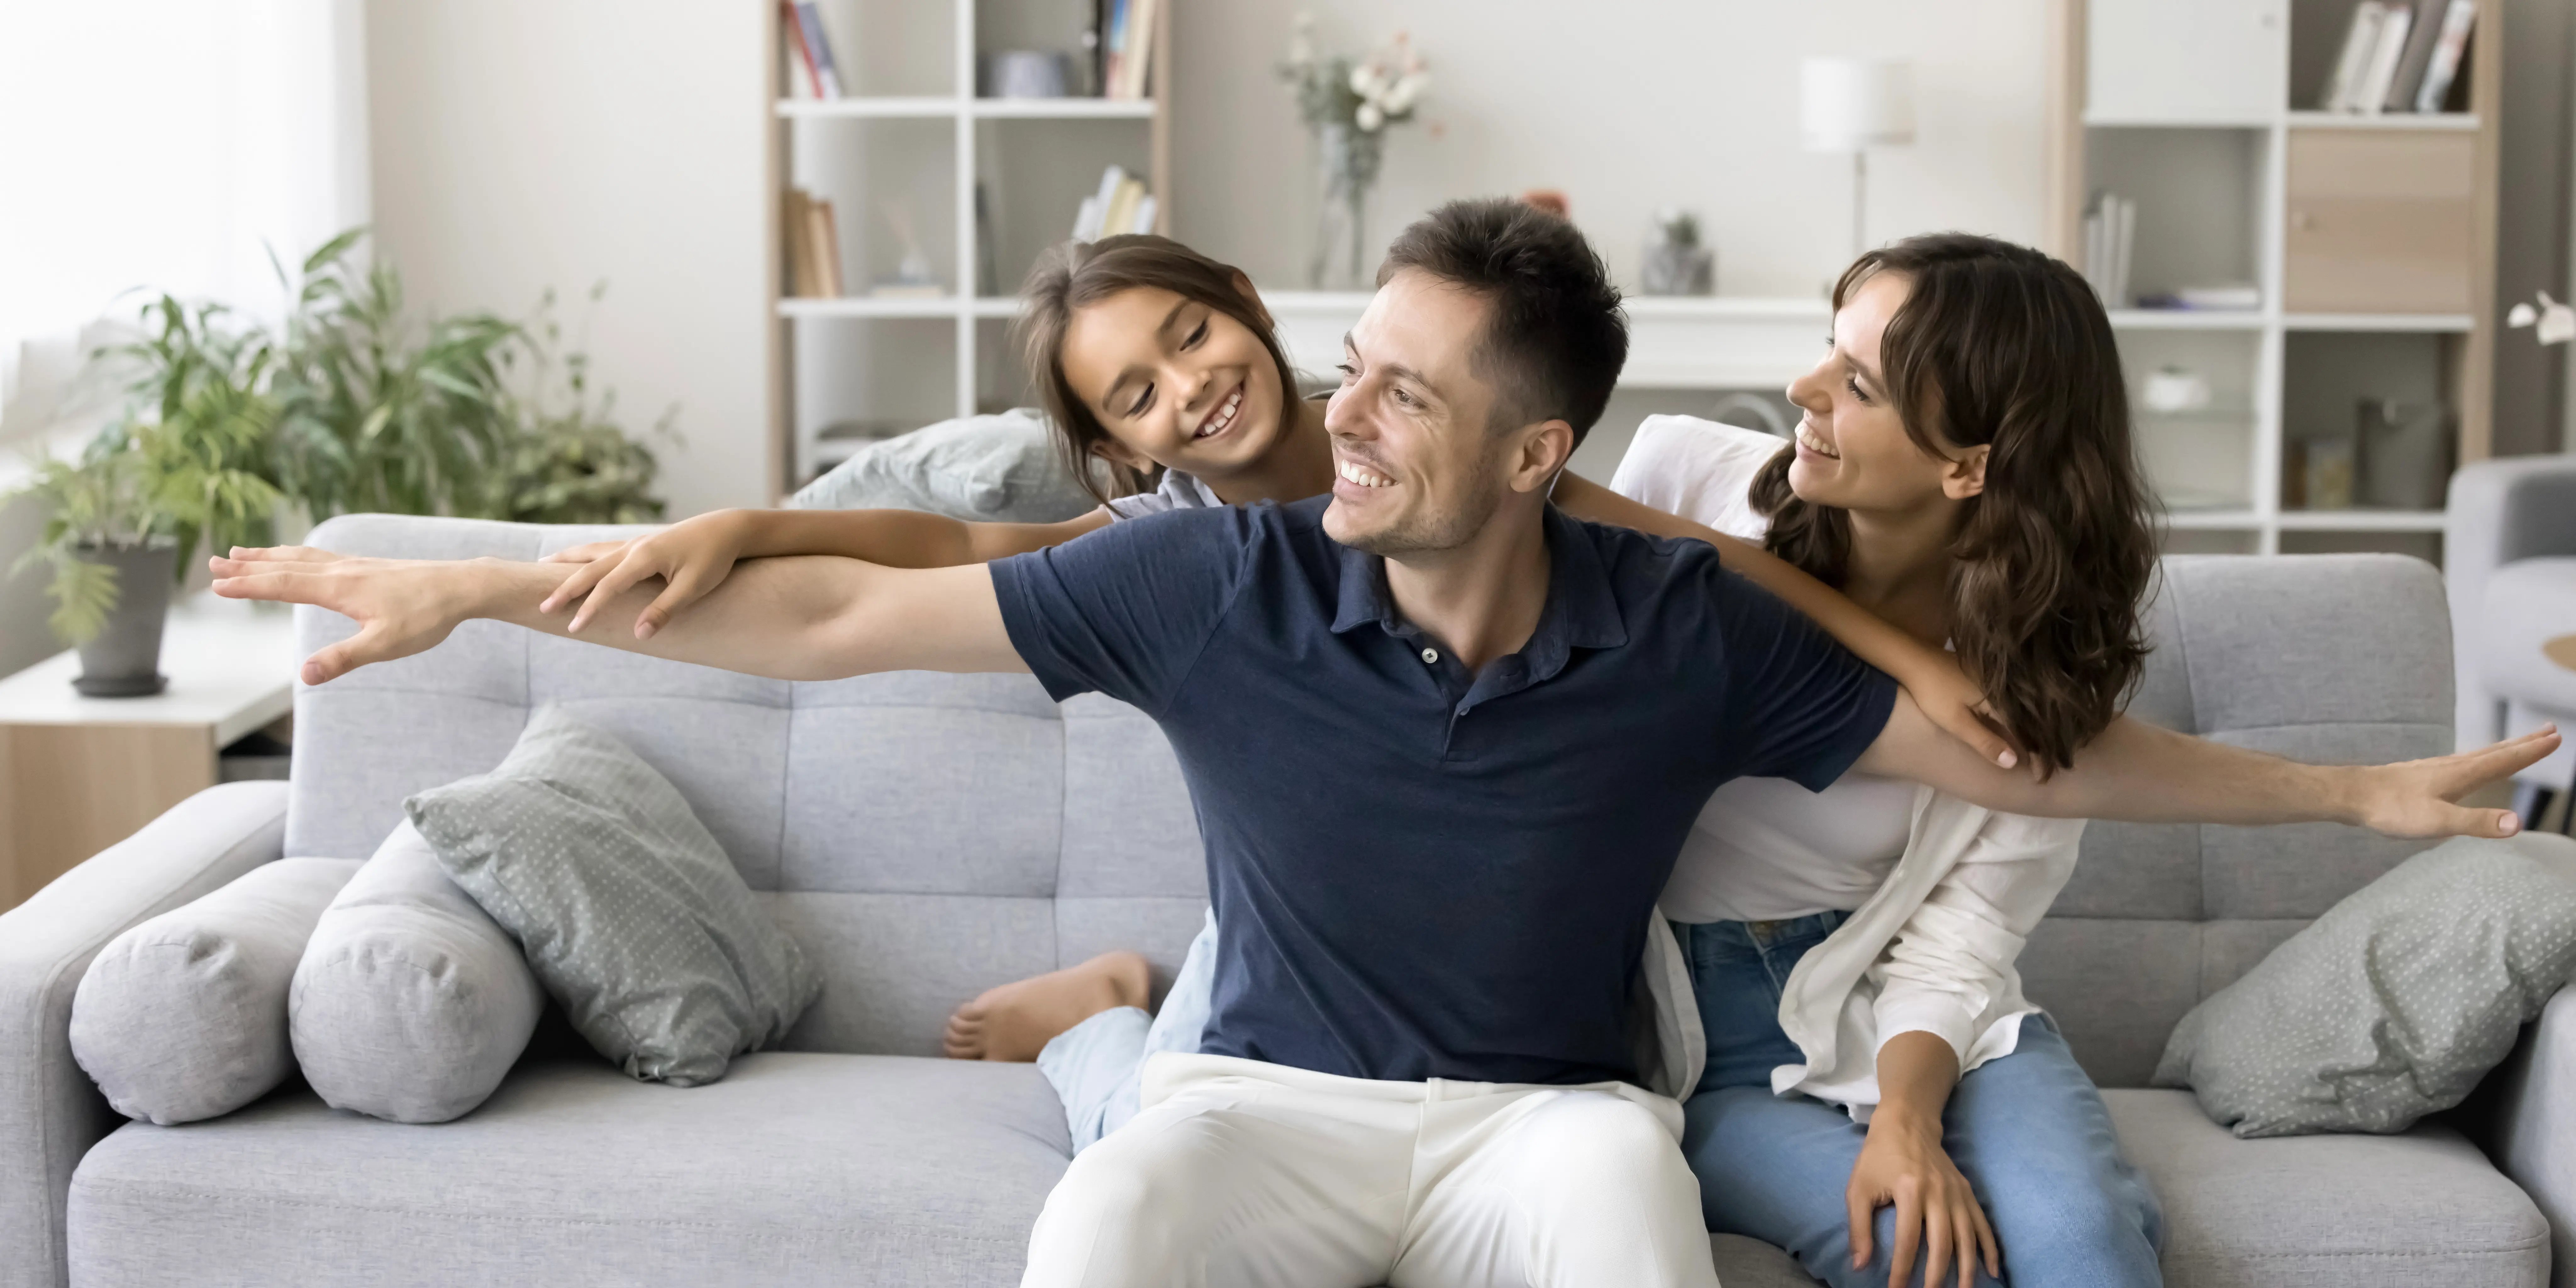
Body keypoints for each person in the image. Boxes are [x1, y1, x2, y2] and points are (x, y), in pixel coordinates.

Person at [207, 199, 2552, 1288]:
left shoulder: (1681, 618)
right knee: (1103, 1223)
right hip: (1263, 1095)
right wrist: (478, 586)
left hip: (1556, 1116)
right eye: (1356, 368)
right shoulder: (1208, 574)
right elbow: (839, 603)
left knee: (1636, 1240)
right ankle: (1120, 1029)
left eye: (1402, 393)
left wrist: (2353, 795)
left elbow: (2036, 770)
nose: (1337, 417)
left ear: (1534, 458)